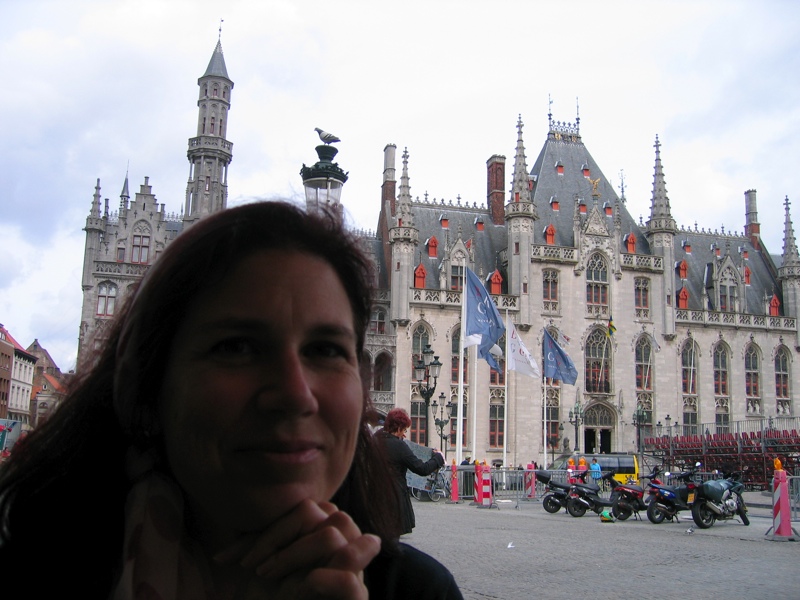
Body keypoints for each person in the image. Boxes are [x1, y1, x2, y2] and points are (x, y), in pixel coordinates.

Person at [0, 201, 462, 599]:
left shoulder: (418, 591)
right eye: (237, 347)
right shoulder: (33, 571)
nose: (296, 394)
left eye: (326, 350)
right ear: (144, 384)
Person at [376, 408, 445, 535]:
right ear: (398, 428)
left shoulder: (374, 440)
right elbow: (422, 469)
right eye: (404, 430)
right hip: (393, 500)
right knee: (391, 544)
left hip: (373, 501)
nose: (405, 434)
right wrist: (438, 458)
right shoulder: (399, 447)